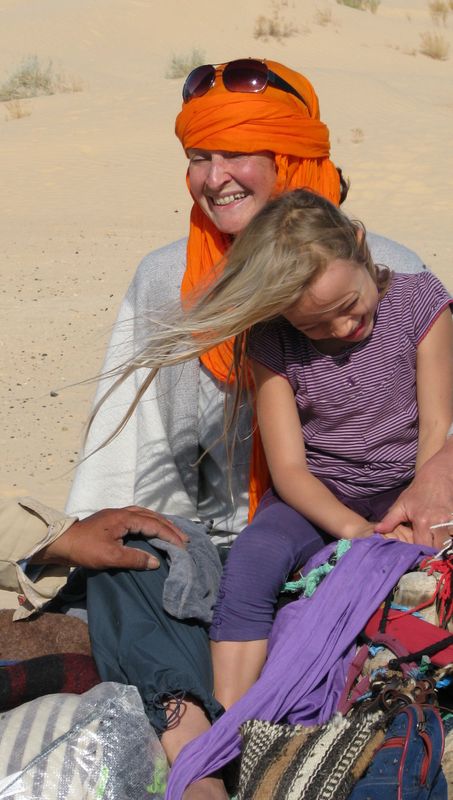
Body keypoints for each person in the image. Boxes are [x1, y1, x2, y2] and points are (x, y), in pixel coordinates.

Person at [4, 59, 452, 799]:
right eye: (197, 157)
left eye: (236, 154)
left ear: (290, 159)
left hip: (381, 513)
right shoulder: (164, 280)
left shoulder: (395, 278)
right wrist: (126, 548)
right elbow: (131, 464)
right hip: (239, 542)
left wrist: (427, 481)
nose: (214, 179)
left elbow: (437, 421)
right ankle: (206, 745)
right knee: (129, 567)